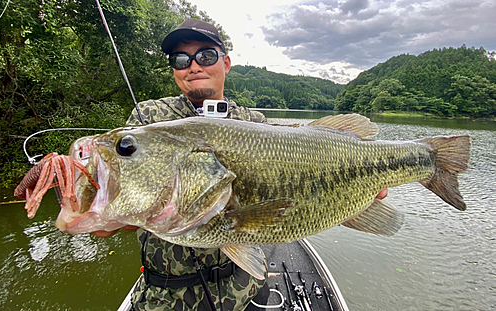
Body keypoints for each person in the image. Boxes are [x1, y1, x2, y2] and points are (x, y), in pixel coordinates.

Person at [94, 18, 389, 311]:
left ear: (226, 63)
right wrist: (94, 208)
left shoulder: (254, 123)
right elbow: (115, 214)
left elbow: (293, 188)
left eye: (206, 56)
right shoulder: (150, 118)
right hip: (163, 299)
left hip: (243, 292)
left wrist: (356, 192)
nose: (193, 66)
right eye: (181, 59)